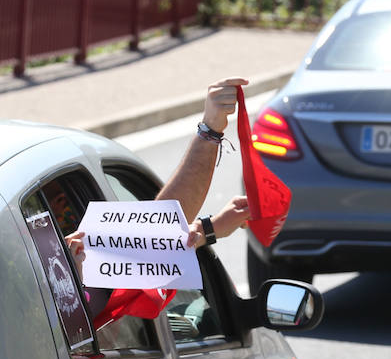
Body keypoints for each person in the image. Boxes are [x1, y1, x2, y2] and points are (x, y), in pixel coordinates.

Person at [67, 76, 254, 262]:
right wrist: (210, 129)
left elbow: (153, 241)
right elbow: (157, 233)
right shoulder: (73, 269)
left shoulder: (71, 261)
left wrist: (207, 229)